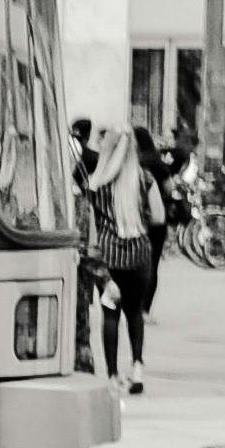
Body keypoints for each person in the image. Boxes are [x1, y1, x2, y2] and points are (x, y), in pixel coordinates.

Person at [87, 119, 172, 395]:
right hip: (139, 255)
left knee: (110, 314)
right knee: (134, 312)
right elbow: (159, 217)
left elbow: (88, 223)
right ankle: (137, 368)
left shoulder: (97, 184)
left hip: (109, 258)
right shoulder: (145, 179)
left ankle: (112, 376)